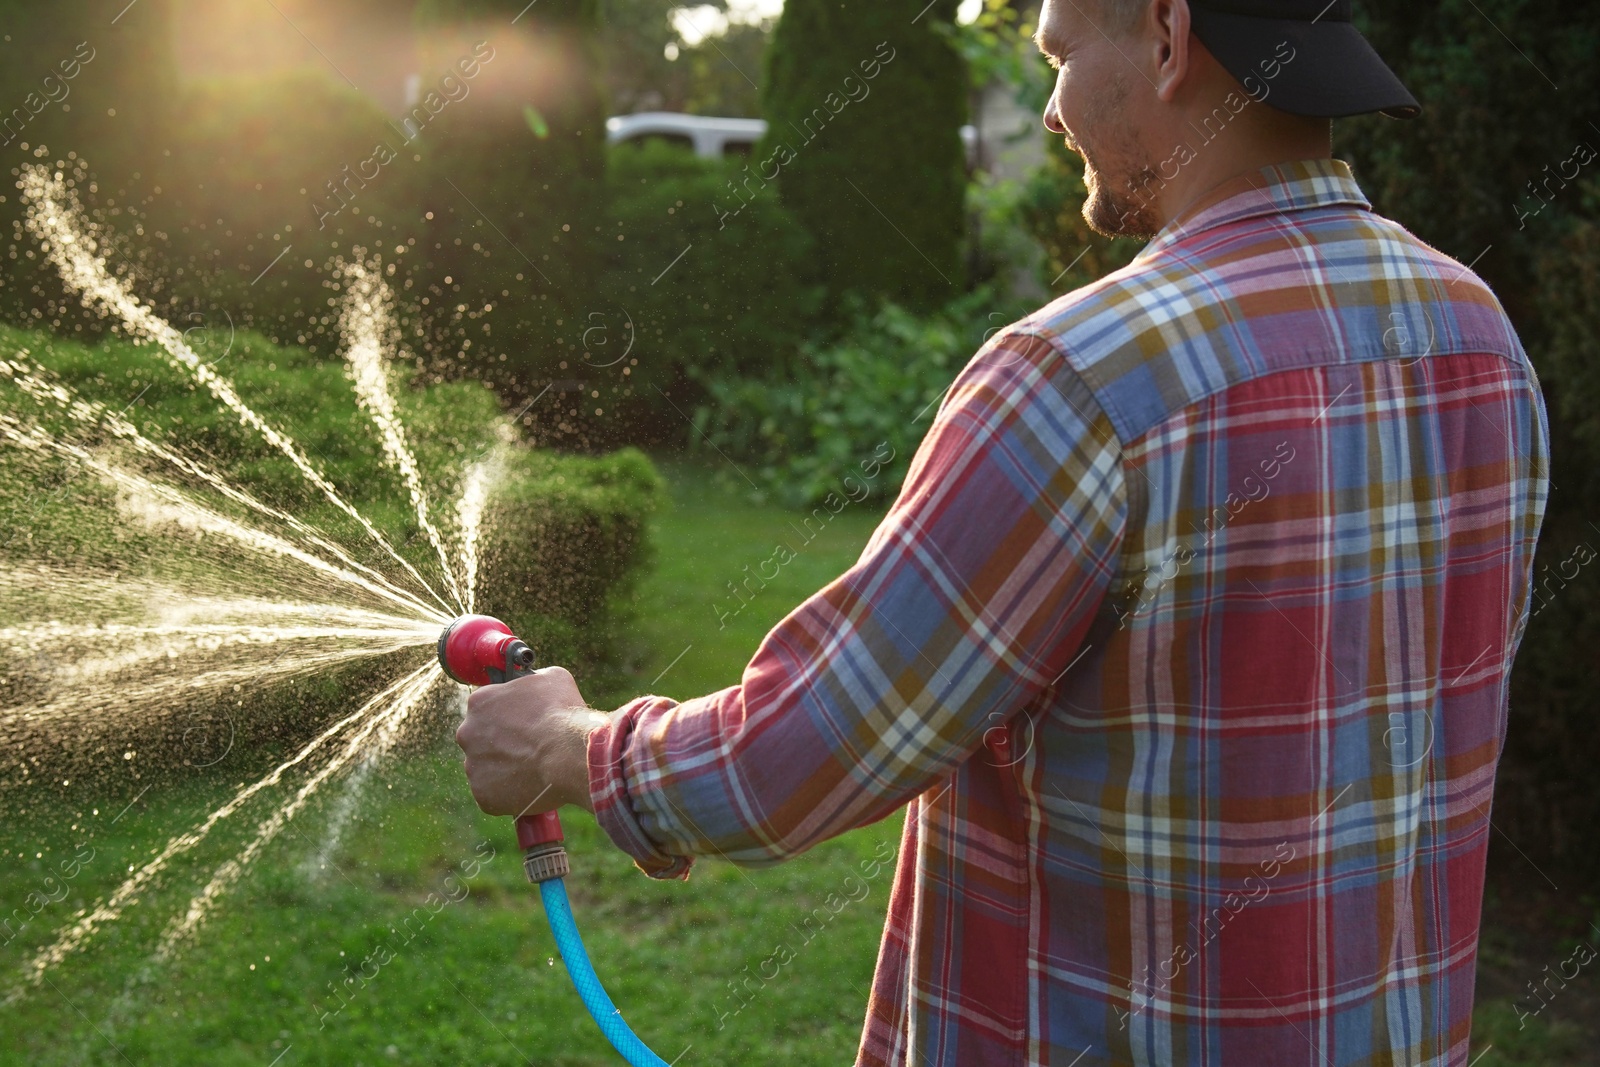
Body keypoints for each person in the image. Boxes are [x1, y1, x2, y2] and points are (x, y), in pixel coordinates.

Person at [455, 0, 1550, 1063]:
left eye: (1058, 58)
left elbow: (804, 749)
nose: (1049, 110)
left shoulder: (1085, 375)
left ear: (1169, 37)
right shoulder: (1475, 335)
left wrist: (567, 744)